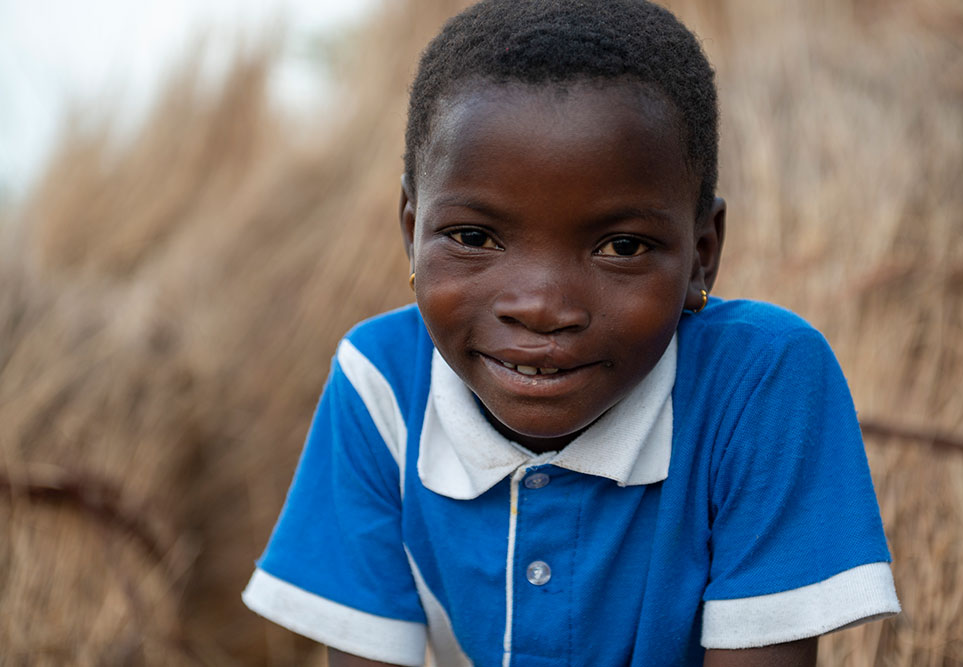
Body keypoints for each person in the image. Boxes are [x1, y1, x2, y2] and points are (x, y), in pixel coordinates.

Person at [242, 1, 901, 665]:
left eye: (620, 246)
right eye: (473, 237)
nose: (542, 307)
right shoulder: (380, 386)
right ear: (411, 229)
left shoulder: (759, 383)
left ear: (702, 253)